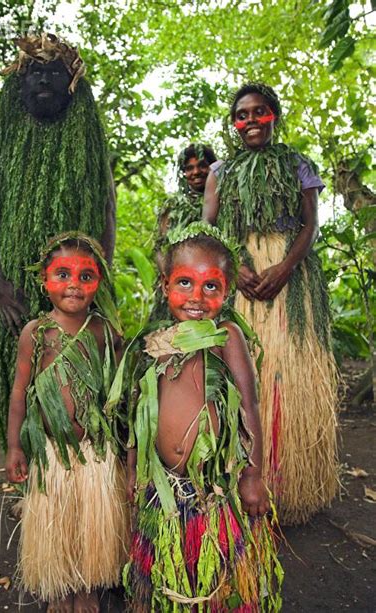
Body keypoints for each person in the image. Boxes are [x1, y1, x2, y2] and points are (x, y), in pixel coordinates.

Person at [110, 223, 282, 611]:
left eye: (211, 286)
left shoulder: (227, 337)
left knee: (217, 578)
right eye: (185, 283)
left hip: (215, 492)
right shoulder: (156, 343)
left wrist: (253, 477)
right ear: (164, 285)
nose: (197, 297)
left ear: (227, 291)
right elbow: (142, 414)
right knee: (168, 577)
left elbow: (248, 406)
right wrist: (133, 472)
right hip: (163, 491)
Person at [203, 83, 338, 525]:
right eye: (242, 115)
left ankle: (291, 487)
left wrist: (283, 269)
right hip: (238, 282)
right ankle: (242, 483)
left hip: (291, 283)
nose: (252, 121)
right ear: (234, 124)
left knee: (285, 378)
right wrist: (234, 266)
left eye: (261, 112)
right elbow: (209, 227)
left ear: (274, 116)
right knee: (246, 380)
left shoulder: (297, 164)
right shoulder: (220, 172)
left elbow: (309, 225)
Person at [0, 33, 116, 449]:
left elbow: (107, 210)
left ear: (73, 86)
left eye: (54, 73)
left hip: (78, 287)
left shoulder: (88, 150)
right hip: (16, 293)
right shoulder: (6, 152)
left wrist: (99, 276)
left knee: (80, 377)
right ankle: (27, 465)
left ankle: (82, 466)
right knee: (20, 376)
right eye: (34, 72)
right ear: (16, 87)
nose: (43, 80)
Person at [5, 232, 128, 613]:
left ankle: (88, 584)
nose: (73, 285)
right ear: (45, 280)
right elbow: (19, 393)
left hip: (95, 454)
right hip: (51, 454)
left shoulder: (105, 332)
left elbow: (119, 393)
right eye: (62, 275)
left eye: (85, 276)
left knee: (90, 527)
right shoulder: (35, 334)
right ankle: (59, 585)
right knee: (56, 525)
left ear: (98, 283)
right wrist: (14, 446)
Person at [152, 144, 217, 320]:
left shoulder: (226, 204)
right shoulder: (173, 207)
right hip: (177, 289)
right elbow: (159, 247)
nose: (196, 172)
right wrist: (174, 277)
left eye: (202, 165)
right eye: (189, 168)